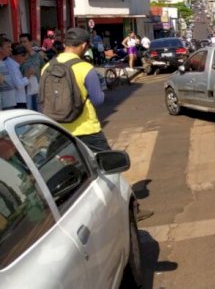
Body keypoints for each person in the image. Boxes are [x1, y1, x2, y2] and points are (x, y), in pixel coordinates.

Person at [41, 28, 153, 222]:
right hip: (87, 130)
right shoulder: (84, 68)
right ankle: (130, 209)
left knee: (68, 175)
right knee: (111, 168)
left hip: (58, 132)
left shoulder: (47, 67)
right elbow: (98, 99)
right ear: (84, 46)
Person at [19, 34, 44, 111]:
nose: (23, 44)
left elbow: (43, 68)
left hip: (37, 88)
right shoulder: (18, 56)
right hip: (24, 89)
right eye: (21, 42)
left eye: (25, 41)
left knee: (38, 111)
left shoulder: (38, 55)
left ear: (30, 42)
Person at [8, 43, 33, 109]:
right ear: (15, 56)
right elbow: (19, 85)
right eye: (23, 55)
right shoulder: (13, 67)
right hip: (17, 101)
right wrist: (27, 76)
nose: (25, 57)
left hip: (18, 99)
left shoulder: (14, 65)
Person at [0, 38, 16, 110]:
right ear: (0, 48)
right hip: (4, 102)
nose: (11, 49)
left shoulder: (3, 62)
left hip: (9, 101)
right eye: (8, 47)